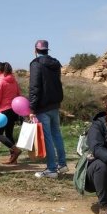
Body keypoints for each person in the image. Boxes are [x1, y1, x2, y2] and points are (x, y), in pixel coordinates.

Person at [29, 40, 68, 178]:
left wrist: (32, 108)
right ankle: (62, 164)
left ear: (36, 50)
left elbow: (34, 87)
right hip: (55, 104)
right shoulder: (55, 63)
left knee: (48, 138)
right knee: (56, 134)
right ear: (47, 50)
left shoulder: (36, 64)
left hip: (43, 106)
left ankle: (51, 169)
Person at [0, 62, 22, 164]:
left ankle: (15, 150)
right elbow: (19, 94)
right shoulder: (14, 81)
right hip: (13, 109)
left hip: (3, 111)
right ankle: (14, 159)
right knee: (9, 134)